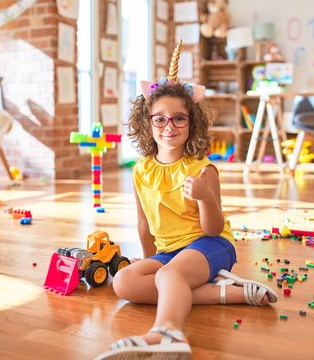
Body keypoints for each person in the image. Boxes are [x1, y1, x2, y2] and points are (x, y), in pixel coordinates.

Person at [95, 41, 277, 360]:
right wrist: (148, 260)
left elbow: (213, 227)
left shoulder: (202, 170)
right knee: (124, 282)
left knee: (169, 276)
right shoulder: (142, 170)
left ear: (191, 123)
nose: (169, 127)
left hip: (211, 245)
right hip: (171, 253)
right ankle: (228, 292)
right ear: (147, 123)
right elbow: (144, 224)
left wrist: (206, 197)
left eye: (179, 118)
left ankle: (167, 332)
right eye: (160, 119)